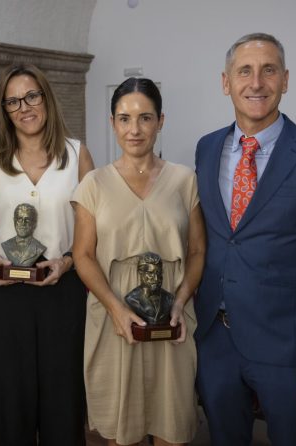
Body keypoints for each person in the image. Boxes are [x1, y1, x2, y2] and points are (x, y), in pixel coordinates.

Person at [194, 32, 296, 446]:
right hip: (215, 340)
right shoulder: (206, 148)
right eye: (244, 71)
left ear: (285, 80)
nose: (256, 83)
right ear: (225, 82)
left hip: (288, 348)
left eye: (268, 70)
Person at [72, 77, 206, 446]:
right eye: (124, 118)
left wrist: (179, 301)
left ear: (161, 121)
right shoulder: (93, 184)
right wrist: (115, 309)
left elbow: (196, 251)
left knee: (172, 424)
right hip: (114, 313)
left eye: (145, 118)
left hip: (171, 314)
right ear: (113, 122)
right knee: (123, 429)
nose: (135, 129)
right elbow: (82, 256)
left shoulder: (184, 180)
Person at [0, 63, 94, 445]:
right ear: (3, 109)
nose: (24, 107)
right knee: (9, 404)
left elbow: (91, 233)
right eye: (12, 102)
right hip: (5, 293)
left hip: (63, 291)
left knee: (64, 399)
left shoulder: (77, 155)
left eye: (31, 96)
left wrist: (69, 261)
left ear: (46, 97)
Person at [124, 252, 174, 325]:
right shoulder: (132, 298)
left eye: (159, 273)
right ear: (141, 273)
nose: (156, 278)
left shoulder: (168, 298)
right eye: (150, 273)